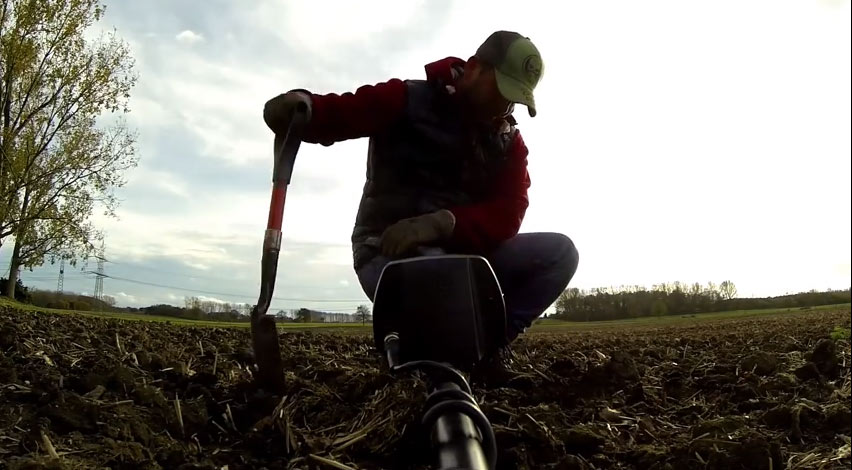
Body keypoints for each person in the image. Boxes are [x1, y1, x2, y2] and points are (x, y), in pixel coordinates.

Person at [263, 30, 579, 386]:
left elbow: (510, 211)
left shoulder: (507, 141)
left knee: (560, 253)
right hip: (386, 252)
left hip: (466, 259)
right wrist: (303, 107)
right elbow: (344, 111)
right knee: (437, 285)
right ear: (474, 68)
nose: (504, 108)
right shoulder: (408, 99)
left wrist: (442, 223)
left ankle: (486, 347)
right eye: (501, 91)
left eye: (514, 100)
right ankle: (421, 354)